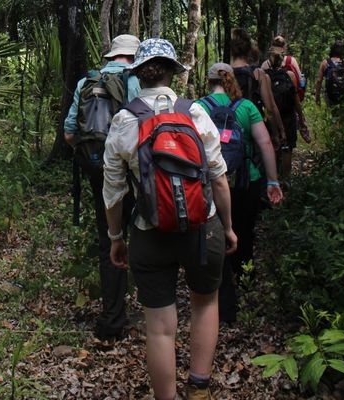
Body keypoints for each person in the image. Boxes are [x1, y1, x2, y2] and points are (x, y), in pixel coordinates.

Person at [103, 38, 237, 400]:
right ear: (173, 71)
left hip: (149, 231)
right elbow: (218, 177)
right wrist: (226, 226)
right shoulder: (194, 112)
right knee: (205, 302)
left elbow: (114, 192)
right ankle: (199, 387)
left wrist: (117, 236)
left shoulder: (123, 119)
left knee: (160, 328)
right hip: (201, 226)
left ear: (139, 75)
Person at [63, 34, 141, 340]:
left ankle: (111, 320)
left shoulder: (87, 83)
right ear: (133, 58)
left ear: (111, 57)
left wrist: (96, 158)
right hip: (130, 171)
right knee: (142, 235)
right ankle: (151, 308)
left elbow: (70, 133)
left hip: (98, 171)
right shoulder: (134, 81)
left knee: (110, 239)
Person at [198, 63, 284, 323]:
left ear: (208, 80)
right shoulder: (246, 107)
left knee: (217, 232)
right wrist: (273, 181)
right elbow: (265, 143)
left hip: (212, 182)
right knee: (244, 231)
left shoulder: (198, 108)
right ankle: (245, 282)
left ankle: (221, 297)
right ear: (231, 80)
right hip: (247, 181)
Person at [231, 28, 286, 149]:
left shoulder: (225, 73)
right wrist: (275, 134)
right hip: (253, 126)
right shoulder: (258, 73)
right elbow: (269, 107)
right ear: (248, 50)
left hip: (230, 125)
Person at [264, 49, 311, 178]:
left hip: (271, 117)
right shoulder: (289, 75)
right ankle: (286, 180)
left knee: (274, 146)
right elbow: (295, 98)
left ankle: (273, 178)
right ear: (282, 62)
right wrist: (301, 119)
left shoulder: (264, 76)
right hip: (288, 117)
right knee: (287, 148)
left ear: (269, 62)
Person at [261, 35, 306, 102]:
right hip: (289, 100)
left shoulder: (265, 64)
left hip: (272, 100)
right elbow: (300, 79)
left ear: (272, 47)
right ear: (284, 47)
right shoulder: (291, 60)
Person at [314, 40, 344, 107]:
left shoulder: (325, 63)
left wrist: (317, 97)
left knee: (333, 114)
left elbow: (319, 81)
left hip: (330, 95)